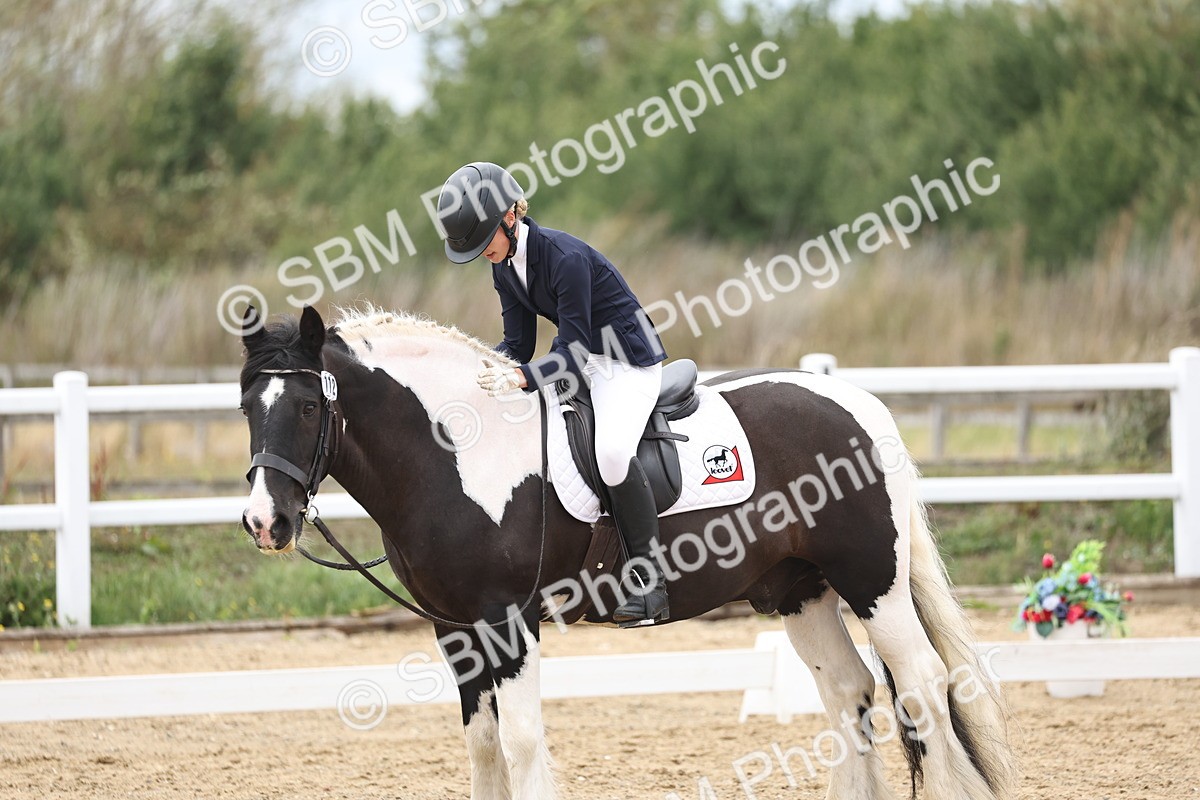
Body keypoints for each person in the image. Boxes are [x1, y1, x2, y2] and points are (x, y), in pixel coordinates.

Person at [437, 162, 669, 627]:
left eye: (485, 242)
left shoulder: (564, 258)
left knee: (611, 453)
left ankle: (651, 582)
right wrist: (482, 371)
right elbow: (518, 345)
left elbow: (574, 349)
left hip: (625, 363)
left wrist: (521, 379)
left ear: (509, 216)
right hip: (584, 363)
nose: (482, 253)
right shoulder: (504, 266)